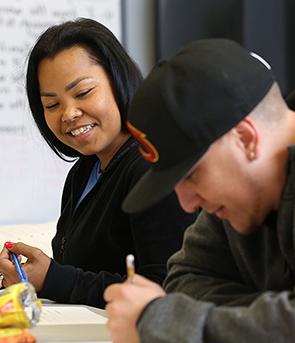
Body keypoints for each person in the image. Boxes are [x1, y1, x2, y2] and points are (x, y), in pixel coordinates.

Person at [104, 38, 295, 343]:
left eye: (192, 174)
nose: (187, 204)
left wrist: (158, 322)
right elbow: (184, 281)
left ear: (245, 139)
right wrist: (290, 311)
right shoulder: (239, 197)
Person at [0, 18, 196, 308]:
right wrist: (32, 276)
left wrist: (54, 279)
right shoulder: (84, 171)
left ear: (118, 81)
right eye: (52, 105)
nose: (68, 114)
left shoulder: (151, 169)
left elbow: (167, 289)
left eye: (83, 93)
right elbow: (83, 274)